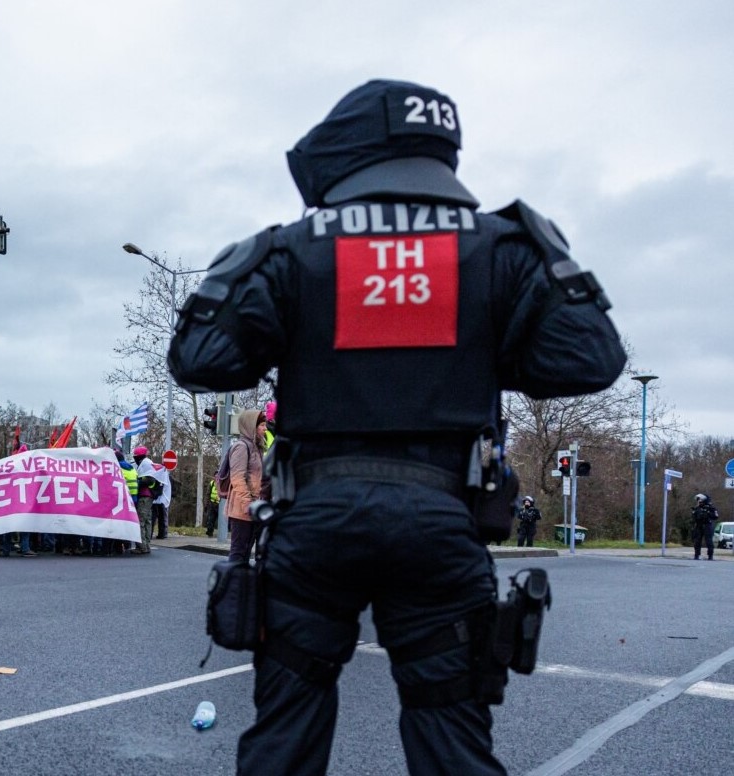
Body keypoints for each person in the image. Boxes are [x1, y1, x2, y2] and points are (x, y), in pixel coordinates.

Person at [168, 79, 626, 776]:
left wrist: (252, 279)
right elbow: (592, 358)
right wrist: (489, 340)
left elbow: (199, 359)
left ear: (344, 152)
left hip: (316, 523)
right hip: (442, 520)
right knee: (453, 742)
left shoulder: (294, 250)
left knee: (284, 740)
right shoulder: (501, 247)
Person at [219, 409, 265, 563]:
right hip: (242, 510)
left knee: (245, 554)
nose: (265, 429)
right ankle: (232, 584)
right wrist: (248, 504)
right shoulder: (241, 446)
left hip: (254, 509)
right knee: (238, 554)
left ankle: (241, 584)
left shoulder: (257, 447)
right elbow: (237, 478)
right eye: (262, 425)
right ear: (251, 426)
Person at [132, 446, 158, 554]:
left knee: (140, 521)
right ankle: (146, 545)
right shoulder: (148, 463)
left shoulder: (145, 464)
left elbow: (148, 479)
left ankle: (141, 546)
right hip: (149, 497)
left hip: (144, 496)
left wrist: (137, 481)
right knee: (147, 521)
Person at [692, 493, 718, 560]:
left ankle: (710, 555)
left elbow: (715, 516)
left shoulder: (710, 508)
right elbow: (694, 518)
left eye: (700, 500)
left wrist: (708, 513)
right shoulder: (697, 508)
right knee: (697, 541)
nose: (699, 501)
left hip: (707, 525)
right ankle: (696, 555)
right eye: (698, 500)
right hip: (699, 526)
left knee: (709, 541)